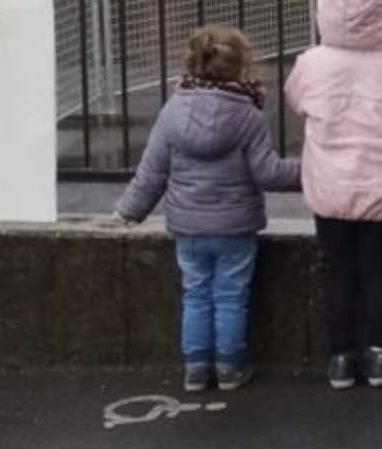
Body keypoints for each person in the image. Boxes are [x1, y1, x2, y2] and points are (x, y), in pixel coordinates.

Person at [112, 26, 300, 394]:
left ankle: (196, 368)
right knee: (231, 296)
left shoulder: (171, 112)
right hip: (235, 227)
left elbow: (152, 171)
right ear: (241, 68)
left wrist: (129, 210)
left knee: (196, 293)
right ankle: (229, 367)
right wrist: (312, 171)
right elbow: (268, 173)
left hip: (188, 227)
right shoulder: (248, 116)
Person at [284, 0, 382, 390]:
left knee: (336, 270)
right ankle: (380, 355)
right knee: (377, 269)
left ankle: (342, 357)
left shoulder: (312, 62)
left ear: (325, 4)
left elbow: (295, 100)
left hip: (328, 187)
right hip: (379, 186)